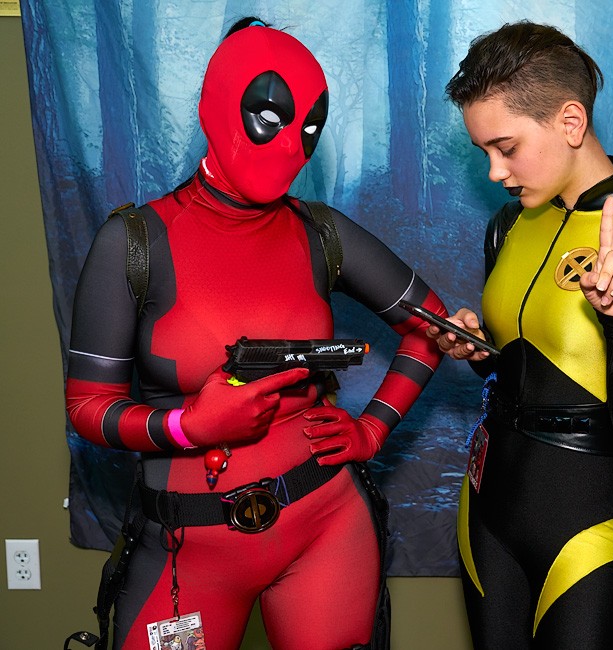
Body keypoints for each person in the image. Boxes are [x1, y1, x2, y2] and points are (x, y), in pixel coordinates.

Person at [65, 17, 445, 650]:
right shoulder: (135, 243)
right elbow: (86, 406)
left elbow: (433, 331)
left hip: (326, 527)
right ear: (216, 106)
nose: (292, 146)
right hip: (190, 548)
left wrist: (373, 429)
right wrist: (188, 426)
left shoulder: (320, 233)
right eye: (270, 118)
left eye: (310, 129)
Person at [431, 20, 613, 649]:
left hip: (590, 519)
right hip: (487, 510)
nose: (495, 171)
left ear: (571, 122)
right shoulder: (508, 224)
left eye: (506, 147)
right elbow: (531, 366)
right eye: (484, 152)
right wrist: (479, 349)